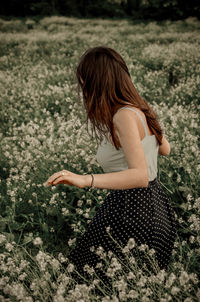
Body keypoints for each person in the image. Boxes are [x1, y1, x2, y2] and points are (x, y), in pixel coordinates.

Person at [46, 46, 176, 280]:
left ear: (98, 82)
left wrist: (85, 180)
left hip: (133, 211)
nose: (83, 88)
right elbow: (165, 149)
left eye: (85, 81)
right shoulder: (140, 107)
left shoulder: (123, 115)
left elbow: (139, 176)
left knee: (87, 280)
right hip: (157, 208)